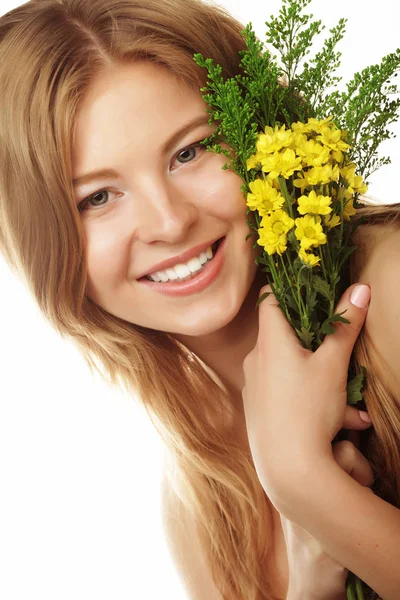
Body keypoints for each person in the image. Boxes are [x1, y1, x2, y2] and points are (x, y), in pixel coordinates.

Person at [0, 1, 397, 599]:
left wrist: (305, 485)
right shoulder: (201, 503)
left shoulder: (389, 286)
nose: (169, 221)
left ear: (262, 132)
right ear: (41, 242)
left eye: (189, 152)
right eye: (98, 197)